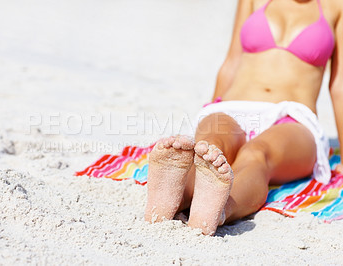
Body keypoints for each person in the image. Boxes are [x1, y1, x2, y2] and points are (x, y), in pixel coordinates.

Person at [144, 0, 343, 235]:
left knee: (257, 154)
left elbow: (339, 86)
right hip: (234, 105)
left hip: (293, 118)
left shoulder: (336, 6)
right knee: (212, 147)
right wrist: (210, 112)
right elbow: (232, 62)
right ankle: (175, 195)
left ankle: (218, 209)